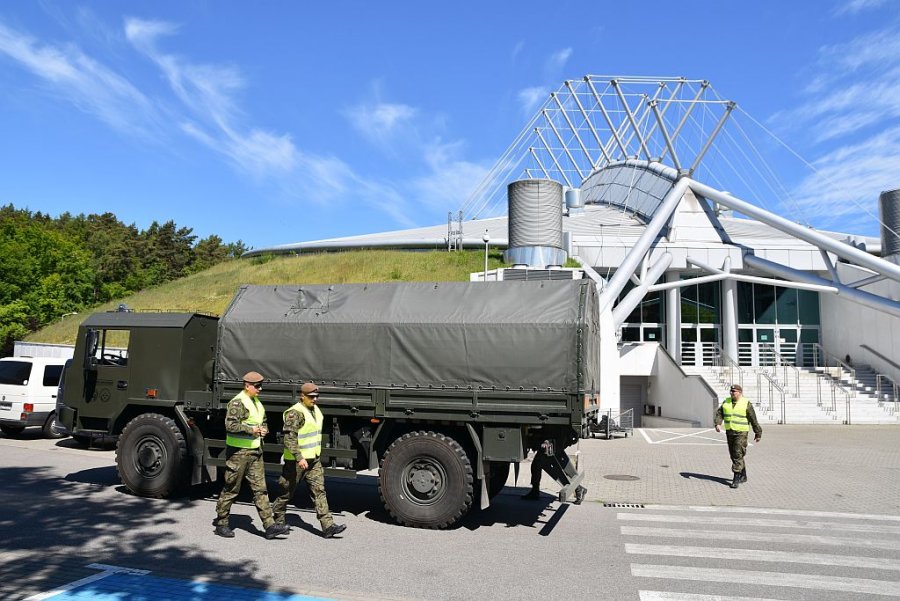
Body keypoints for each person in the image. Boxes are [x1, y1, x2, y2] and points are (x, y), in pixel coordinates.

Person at [214, 371, 289, 539]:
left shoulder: (256, 403)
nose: (260, 389)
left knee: (260, 490)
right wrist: (251, 430)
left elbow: (262, 421)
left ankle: (269, 526)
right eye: (257, 386)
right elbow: (230, 425)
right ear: (247, 385)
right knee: (232, 488)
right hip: (238, 453)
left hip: (255, 452)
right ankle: (222, 523)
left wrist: (264, 429)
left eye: (261, 386)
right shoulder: (238, 403)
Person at [273, 382, 346, 538]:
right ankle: (277, 521)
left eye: (317, 396)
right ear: (302, 396)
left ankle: (328, 526)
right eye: (311, 397)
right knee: (286, 493)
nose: (315, 399)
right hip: (296, 462)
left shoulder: (314, 410)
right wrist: (299, 458)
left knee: (319, 491)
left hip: (313, 460)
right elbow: (289, 439)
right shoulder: (295, 413)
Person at [714, 383, 762, 489]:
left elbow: (753, 419)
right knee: (734, 455)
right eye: (731, 391)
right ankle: (743, 475)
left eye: (734, 391)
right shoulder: (726, 402)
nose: (731, 393)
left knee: (737, 453)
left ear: (740, 392)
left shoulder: (746, 403)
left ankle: (736, 477)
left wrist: (758, 432)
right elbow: (719, 413)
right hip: (730, 431)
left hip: (741, 432)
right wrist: (717, 423)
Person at [521, 439, 586, 504]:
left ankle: (579, 489)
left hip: (551, 441)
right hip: (554, 440)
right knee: (538, 464)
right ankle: (535, 491)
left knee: (543, 465)